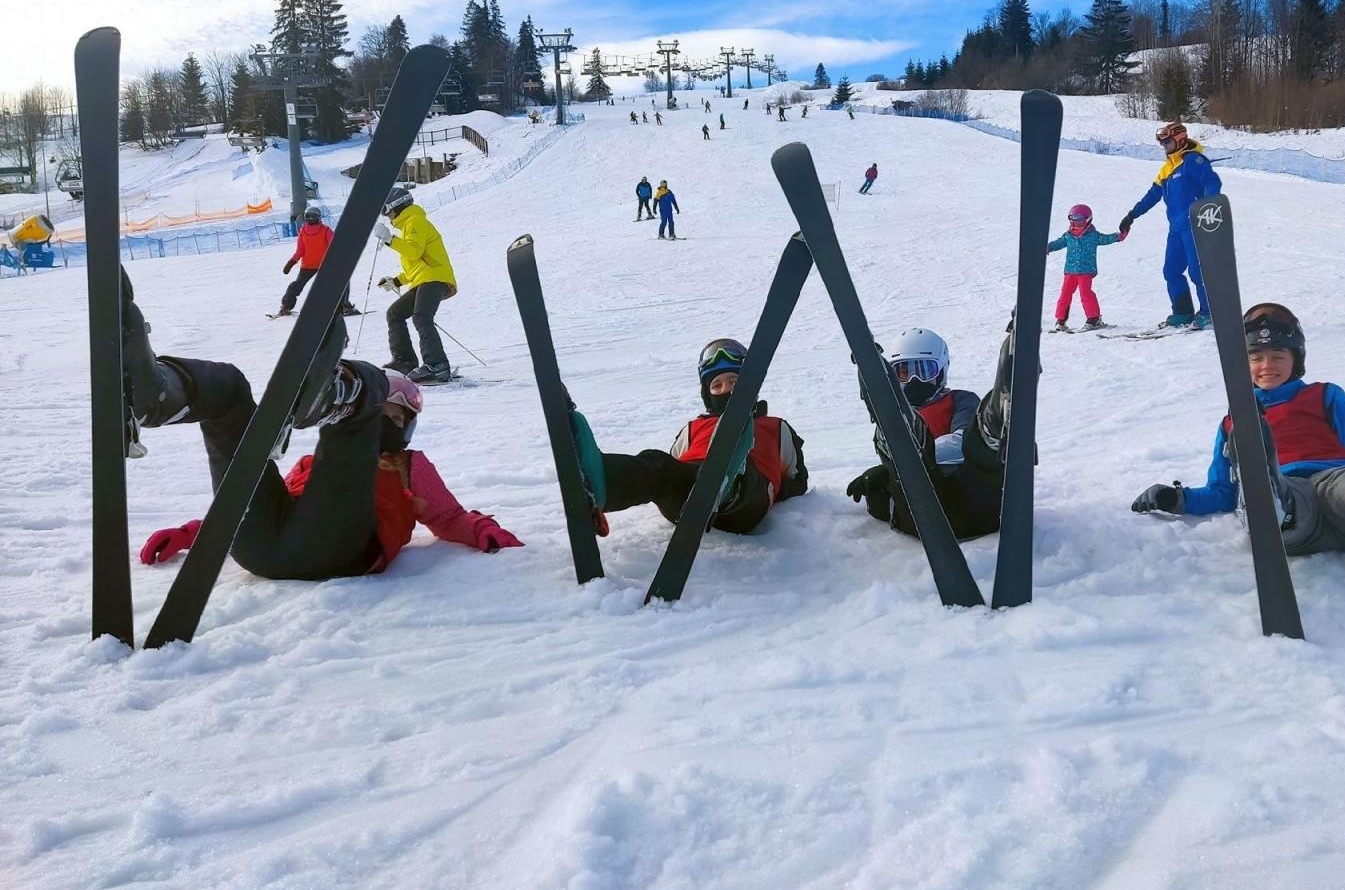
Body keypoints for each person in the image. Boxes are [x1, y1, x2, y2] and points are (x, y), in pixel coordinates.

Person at [120, 270, 520, 581]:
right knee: (230, 388)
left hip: (339, 550)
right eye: (380, 410)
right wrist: (194, 534)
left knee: (374, 382)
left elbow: (447, 517)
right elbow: (258, 494)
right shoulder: (315, 465)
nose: (385, 421)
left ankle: (345, 390)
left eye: (392, 415)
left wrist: (483, 530)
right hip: (259, 549)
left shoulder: (410, 466)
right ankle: (155, 394)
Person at [1130, 302, 1345, 556]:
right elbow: (1221, 491)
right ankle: (1271, 502)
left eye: (1278, 355)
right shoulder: (1235, 422)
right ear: (1242, 364)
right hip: (1291, 507)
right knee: (1282, 494)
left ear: (1296, 358)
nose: (1267, 365)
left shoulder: (1324, 395)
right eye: (1256, 357)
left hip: (1337, 485)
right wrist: (1178, 499)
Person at [568, 339, 808, 536]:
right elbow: (671, 466)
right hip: (686, 501)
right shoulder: (693, 428)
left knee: (743, 467)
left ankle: (726, 481)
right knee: (657, 463)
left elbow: (798, 480)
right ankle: (601, 487)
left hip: (746, 499)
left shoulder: (775, 427)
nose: (726, 390)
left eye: (735, 382)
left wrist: (775, 488)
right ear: (707, 395)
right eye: (717, 385)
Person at [846, 325, 1016, 540]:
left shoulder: (960, 400)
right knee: (899, 439)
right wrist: (886, 474)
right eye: (904, 372)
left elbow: (961, 441)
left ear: (942, 369)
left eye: (924, 371)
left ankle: (996, 419)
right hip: (923, 513)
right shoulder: (894, 420)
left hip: (973, 501)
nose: (914, 381)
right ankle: (903, 441)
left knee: (976, 445)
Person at [1119, 121, 1222, 330]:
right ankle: (1183, 312)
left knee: (1197, 271)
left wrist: (1209, 208)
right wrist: (1132, 215)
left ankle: (1209, 313)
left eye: (1167, 141)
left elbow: (1212, 183)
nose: (1164, 146)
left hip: (1195, 225)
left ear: (1180, 139)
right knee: (1171, 271)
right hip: (1175, 229)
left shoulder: (1193, 160)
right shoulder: (1167, 168)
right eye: (1162, 142)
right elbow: (1152, 196)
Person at [373, 186, 458, 384]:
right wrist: (396, 281)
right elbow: (416, 265)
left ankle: (437, 365)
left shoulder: (415, 221)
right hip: (424, 279)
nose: (387, 215)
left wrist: (389, 239)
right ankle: (405, 361)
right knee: (395, 313)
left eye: (386, 210)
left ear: (398, 205)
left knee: (422, 317)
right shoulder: (409, 226)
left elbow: (413, 252)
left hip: (435, 278)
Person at [1046, 204, 1125, 331]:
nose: (1077, 225)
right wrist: (1048, 247)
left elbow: (1105, 239)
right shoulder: (1068, 235)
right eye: (1074, 221)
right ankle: (1060, 321)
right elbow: (1059, 243)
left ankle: (1094, 319)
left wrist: (1118, 236)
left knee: (1085, 293)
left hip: (1086, 271)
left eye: (1081, 222)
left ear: (1088, 220)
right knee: (1065, 294)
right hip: (1070, 271)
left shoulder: (1093, 235)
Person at [277, 206, 334, 317]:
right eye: (308, 216)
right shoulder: (309, 231)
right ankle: (285, 307)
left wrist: (291, 262)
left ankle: (286, 306)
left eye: (311, 216)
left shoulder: (324, 231)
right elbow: (300, 251)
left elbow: (333, 247)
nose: (309, 219)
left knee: (296, 286)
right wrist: (291, 262)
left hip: (319, 265)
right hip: (315, 265)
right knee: (335, 285)